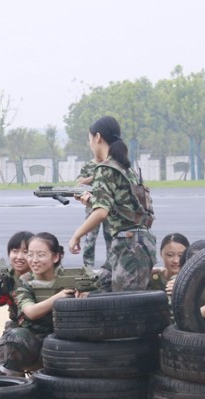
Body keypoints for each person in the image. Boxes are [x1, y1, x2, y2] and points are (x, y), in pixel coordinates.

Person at [68, 116, 156, 292]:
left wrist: (76, 236)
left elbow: (101, 212)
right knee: (97, 290)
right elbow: (124, 207)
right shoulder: (126, 168)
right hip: (131, 243)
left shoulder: (105, 168)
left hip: (130, 245)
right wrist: (92, 200)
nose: (90, 144)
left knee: (127, 307)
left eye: (90, 139)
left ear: (97, 137)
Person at [0, 232, 87, 377]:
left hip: (56, 336)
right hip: (22, 336)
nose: (20, 257)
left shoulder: (61, 277)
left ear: (54, 257)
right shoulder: (9, 280)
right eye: (14, 251)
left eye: (26, 252)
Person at [76, 159, 112, 269]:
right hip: (92, 206)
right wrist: (96, 176)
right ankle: (88, 267)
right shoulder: (88, 165)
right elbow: (80, 182)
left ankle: (110, 266)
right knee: (90, 238)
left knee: (110, 238)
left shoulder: (111, 165)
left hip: (108, 206)